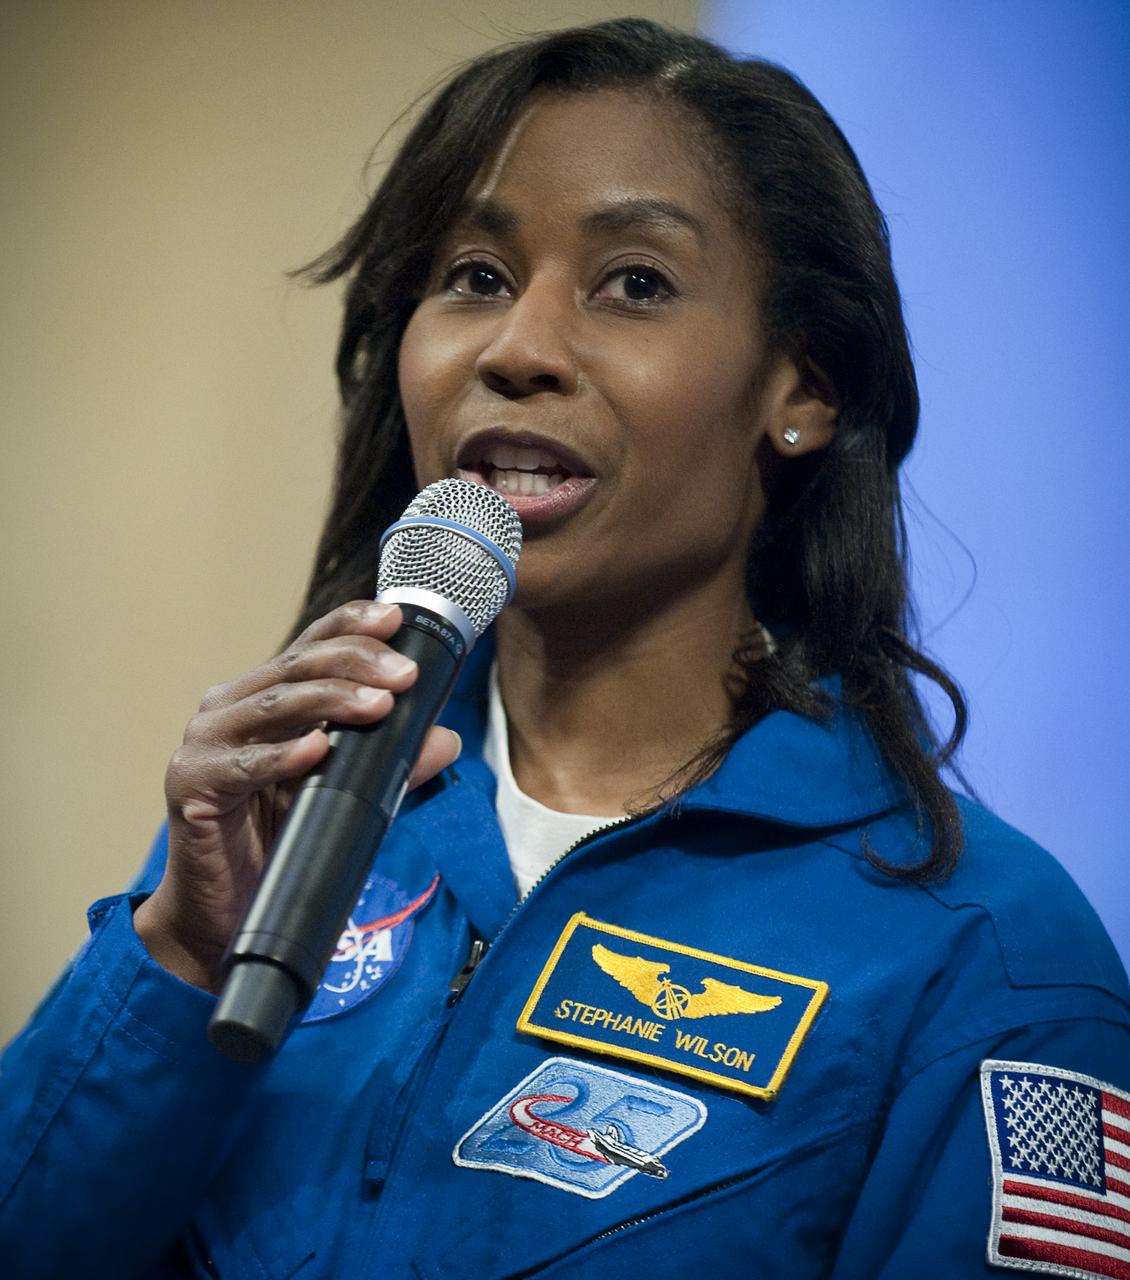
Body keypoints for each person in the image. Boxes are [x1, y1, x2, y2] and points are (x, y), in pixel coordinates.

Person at [2, 18, 1128, 1280]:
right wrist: (174, 947)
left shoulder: (983, 951)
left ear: (798, 391)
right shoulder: (292, 824)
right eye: (475, 274)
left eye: (633, 282)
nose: (517, 348)